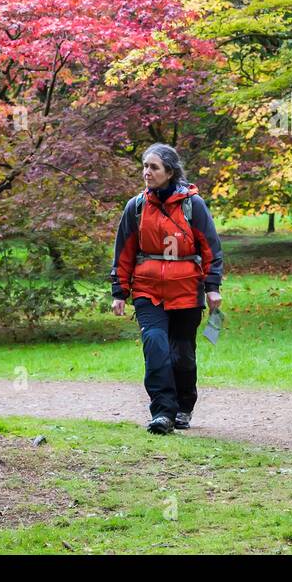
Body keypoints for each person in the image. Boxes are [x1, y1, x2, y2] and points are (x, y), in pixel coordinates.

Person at [110, 143, 224, 434]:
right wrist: (119, 291)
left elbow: (211, 247)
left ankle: (184, 406)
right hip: (148, 291)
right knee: (156, 347)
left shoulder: (192, 205)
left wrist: (212, 286)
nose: (147, 172)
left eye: (154, 167)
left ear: (170, 172)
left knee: (182, 355)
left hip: (186, 290)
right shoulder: (135, 207)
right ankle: (162, 412)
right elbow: (124, 251)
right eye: (145, 166)